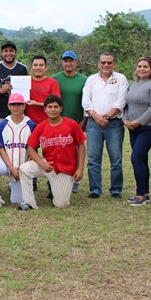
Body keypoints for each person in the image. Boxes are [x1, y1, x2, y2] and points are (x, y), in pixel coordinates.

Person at [18, 95, 86, 209]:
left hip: (65, 168)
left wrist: (80, 169)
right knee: (24, 169)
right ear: (45, 109)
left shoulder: (71, 124)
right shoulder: (41, 127)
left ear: (61, 109)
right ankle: (29, 203)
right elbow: (30, 148)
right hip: (47, 164)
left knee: (61, 204)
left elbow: (81, 145)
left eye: (56, 107)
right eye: (49, 107)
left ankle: (57, 191)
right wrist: (41, 163)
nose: (53, 110)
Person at [81, 52, 128, 199]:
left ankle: (116, 190)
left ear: (114, 64)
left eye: (109, 62)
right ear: (98, 64)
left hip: (114, 123)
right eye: (103, 62)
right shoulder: (91, 79)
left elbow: (121, 101)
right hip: (93, 123)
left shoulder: (120, 78)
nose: (106, 65)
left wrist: (107, 116)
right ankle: (95, 189)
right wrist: (96, 116)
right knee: (93, 158)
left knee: (116, 158)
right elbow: (85, 101)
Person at [122, 57, 151, 206]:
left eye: (145, 67)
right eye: (139, 66)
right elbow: (126, 105)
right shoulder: (133, 85)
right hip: (132, 128)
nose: (142, 69)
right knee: (142, 159)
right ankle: (145, 193)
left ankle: (140, 195)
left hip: (148, 128)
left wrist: (138, 122)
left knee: (136, 158)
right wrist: (125, 120)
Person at [0, 93, 36, 210]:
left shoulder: (31, 125)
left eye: (19, 104)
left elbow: (32, 150)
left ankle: (12, 185)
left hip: (23, 166)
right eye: (13, 104)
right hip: (6, 164)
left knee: (16, 200)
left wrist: (23, 169)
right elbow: (1, 149)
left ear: (24, 106)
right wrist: (12, 168)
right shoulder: (3, 124)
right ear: (8, 106)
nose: (16, 107)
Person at [52, 50, 87, 193]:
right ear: (62, 63)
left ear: (76, 62)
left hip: (77, 121)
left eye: (71, 61)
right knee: (60, 151)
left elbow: (88, 102)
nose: (68, 63)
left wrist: (84, 120)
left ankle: (74, 180)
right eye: (65, 61)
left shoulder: (84, 80)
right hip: (59, 121)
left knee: (77, 150)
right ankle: (57, 180)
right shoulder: (55, 79)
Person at [0, 40, 29, 123]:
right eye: (5, 51)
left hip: (18, 115)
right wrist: (1, 90)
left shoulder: (23, 68)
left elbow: (28, 88)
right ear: (1, 53)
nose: (8, 53)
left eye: (11, 51)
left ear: (16, 53)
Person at [25, 55, 61, 125]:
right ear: (31, 68)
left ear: (46, 68)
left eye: (41, 65)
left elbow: (56, 103)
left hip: (47, 122)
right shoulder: (25, 81)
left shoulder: (52, 82)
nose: (38, 68)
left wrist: (36, 103)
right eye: (35, 65)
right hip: (28, 123)